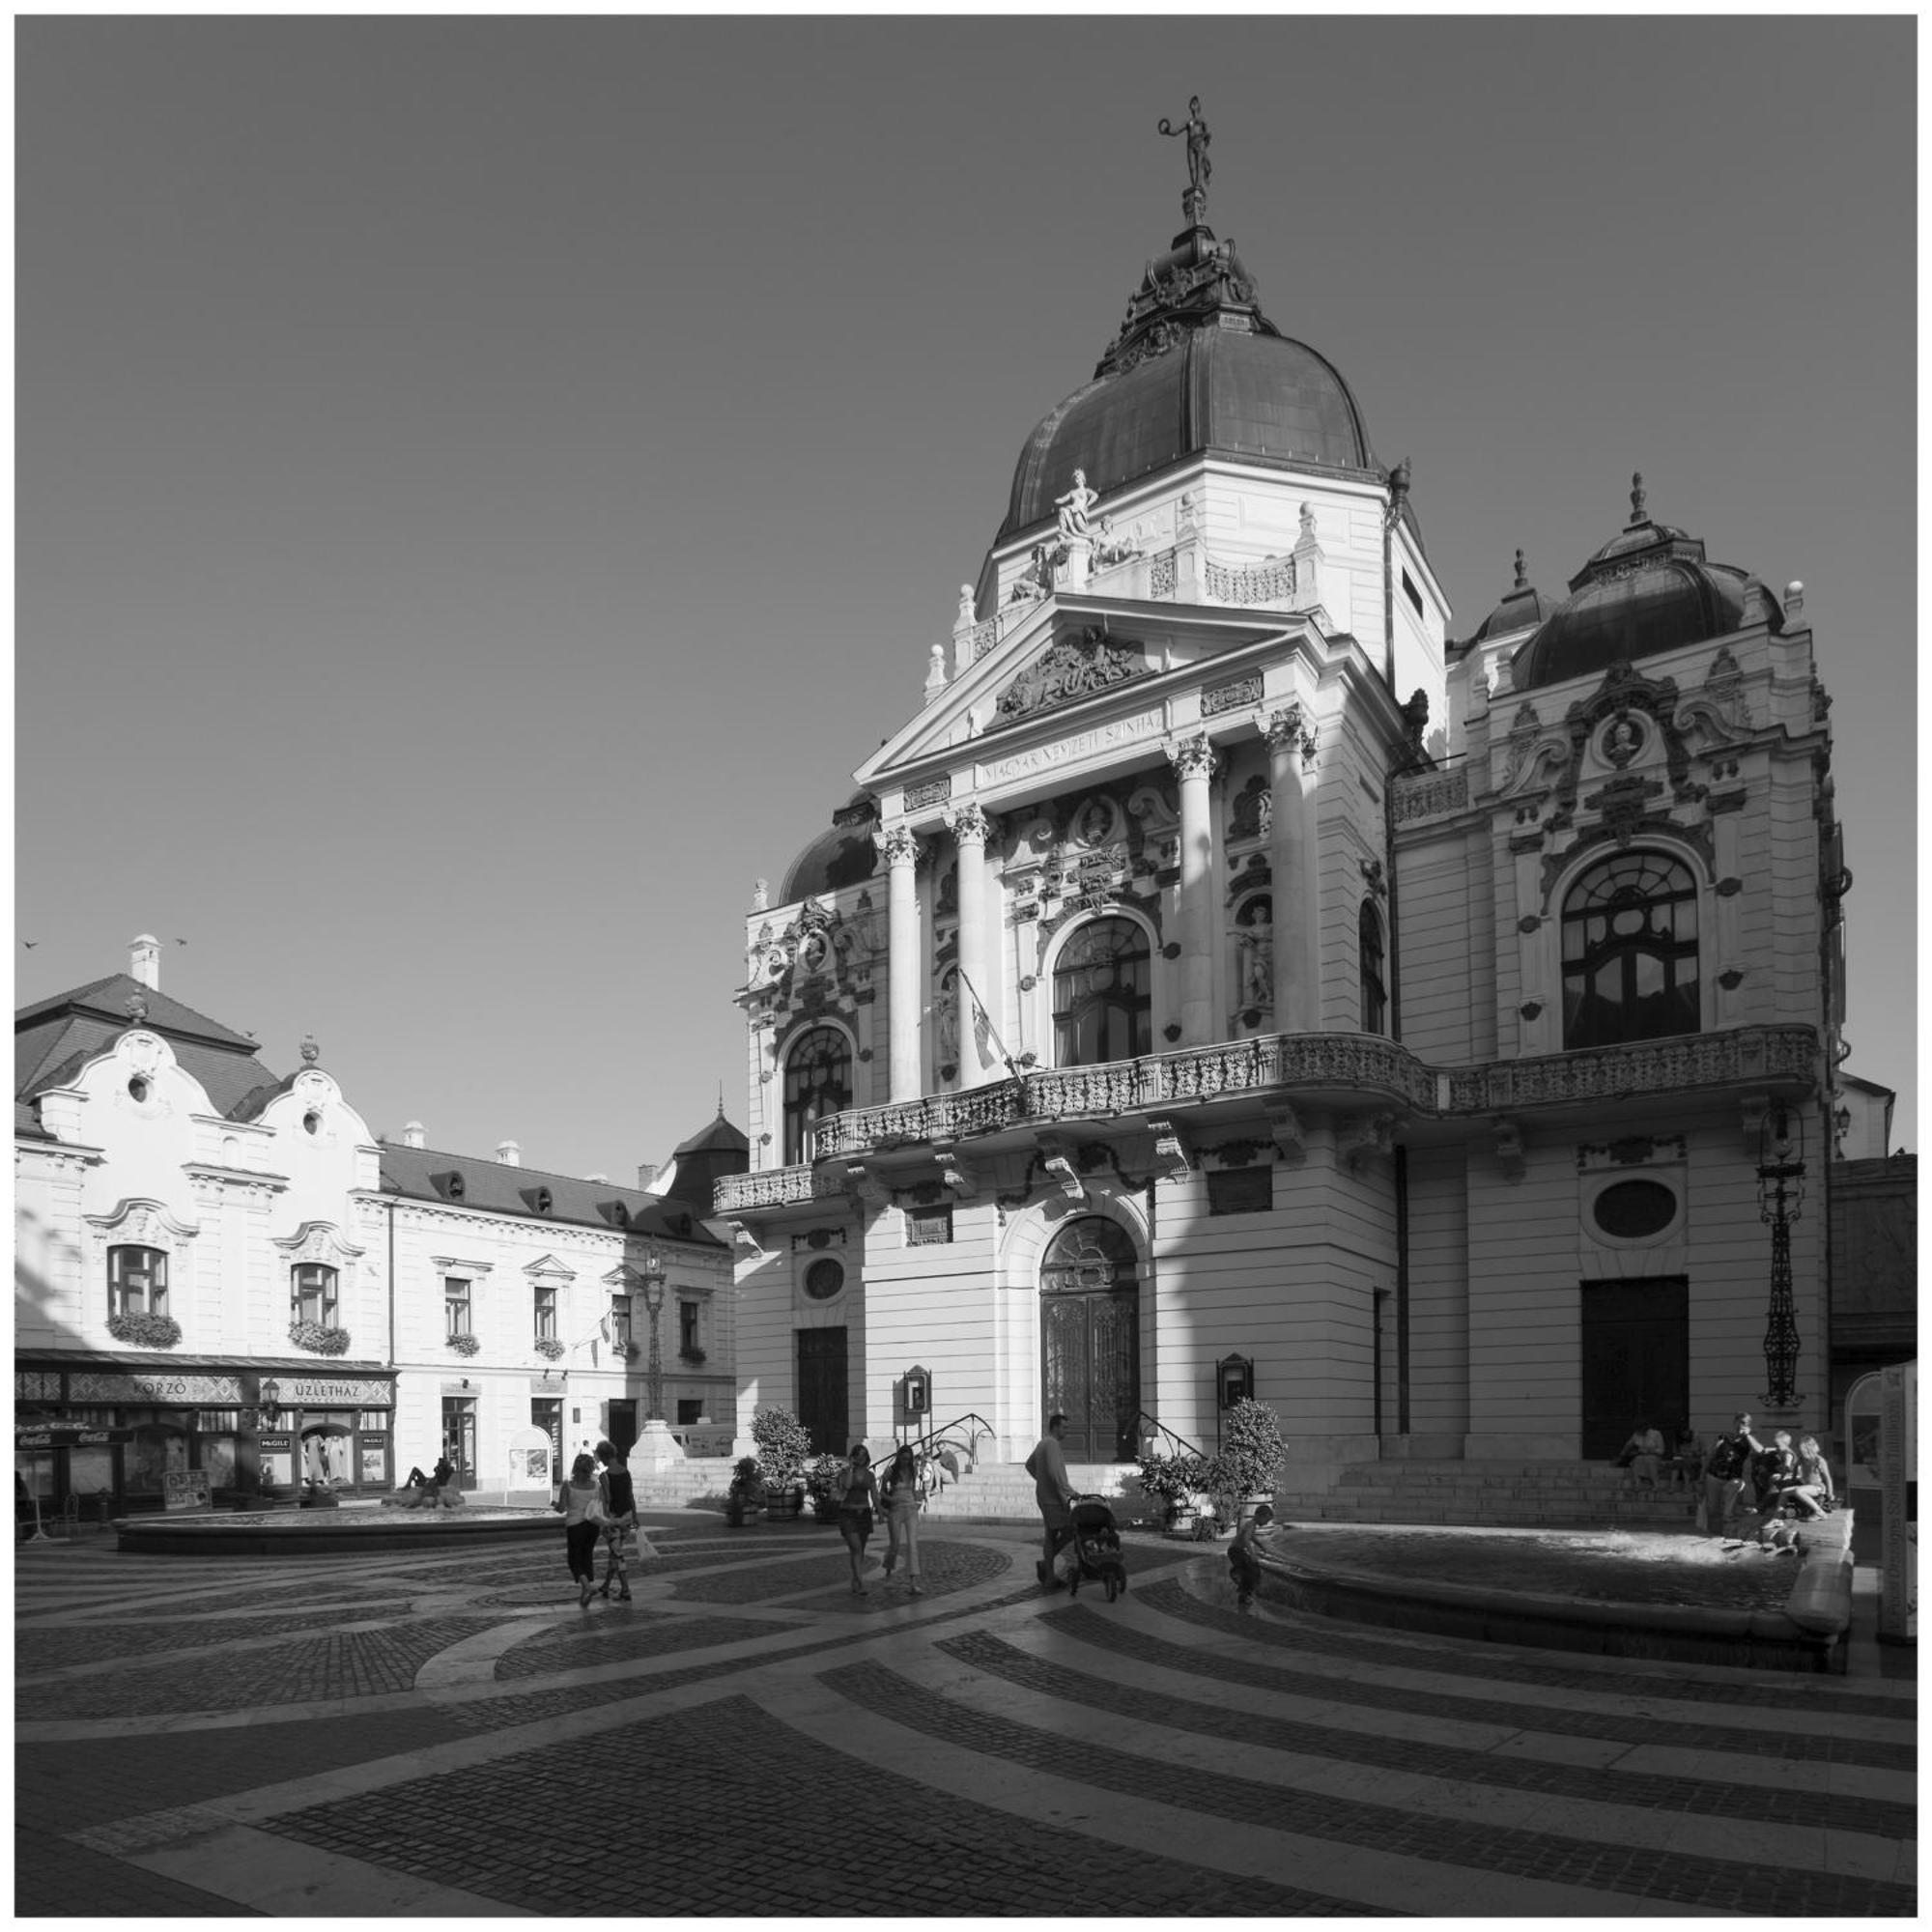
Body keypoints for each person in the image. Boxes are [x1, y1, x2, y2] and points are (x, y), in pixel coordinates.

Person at [1025, 1413, 1076, 1589]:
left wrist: (1041, 1479)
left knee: (1051, 1536)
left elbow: (1029, 1465)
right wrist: (1071, 1493)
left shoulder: (1042, 1443)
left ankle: (1049, 1575)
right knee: (1070, 1531)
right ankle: (1047, 1568)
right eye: (1064, 1427)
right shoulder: (1052, 1444)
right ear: (1055, 1427)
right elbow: (1056, 1474)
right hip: (1054, 1499)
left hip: (1044, 1496)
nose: (1067, 1431)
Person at [555, 1452, 604, 1608]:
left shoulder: (568, 1485)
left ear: (575, 1467)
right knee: (587, 1556)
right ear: (590, 1468)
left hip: (575, 1525)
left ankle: (588, 1588)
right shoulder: (596, 1485)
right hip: (593, 1525)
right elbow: (600, 1505)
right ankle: (585, 1593)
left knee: (574, 1559)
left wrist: (554, 1505)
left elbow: (561, 1508)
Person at [1701, 1412, 1762, 1536]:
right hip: (1714, 1475)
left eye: (1745, 1423)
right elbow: (1710, 1456)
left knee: (1738, 1484)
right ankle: (1712, 1532)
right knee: (1713, 1509)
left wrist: (1748, 1435)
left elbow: (1760, 1450)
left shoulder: (1748, 1440)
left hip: (1732, 1477)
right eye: (1740, 1422)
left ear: (1749, 1425)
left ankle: (1728, 1517)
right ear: (1735, 1423)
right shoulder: (1723, 1437)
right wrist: (1701, 1475)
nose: (1742, 1425)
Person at [593, 1439, 637, 1602]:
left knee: (617, 1554)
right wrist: (635, 1517)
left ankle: (625, 1589)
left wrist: (604, 1521)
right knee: (614, 1552)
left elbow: (607, 1500)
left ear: (604, 1457)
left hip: (613, 1520)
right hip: (627, 1516)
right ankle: (606, 1585)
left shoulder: (605, 1476)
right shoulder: (626, 1472)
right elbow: (630, 1496)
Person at [836, 1444, 881, 1597]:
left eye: (864, 1454)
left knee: (859, 1550)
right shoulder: (845, 1473)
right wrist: (851, 1469)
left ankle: (856, 1579)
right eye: (858, 1455)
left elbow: (874, 1494)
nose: (861, 1457)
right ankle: (860, 1581)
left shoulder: (870, 1475)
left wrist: (880, 1511)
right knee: (855, 1548)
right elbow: (847, 1486)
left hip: (864, 1513)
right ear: (853, 1457)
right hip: (848, 1513)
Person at [879, 1445, 923, 1597]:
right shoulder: (891, 1471)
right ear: (899, 1457)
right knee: (895, 1544)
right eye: (903, 1458)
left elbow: (914, 1489)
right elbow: (882, 1492)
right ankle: (888, 1573)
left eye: (908, 1458)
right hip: (895, 1509)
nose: (906, 1461)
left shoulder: (913, 1470)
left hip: (911, 1508)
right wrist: (891, 1499)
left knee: (913, 1544)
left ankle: (913, 1582)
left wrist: (918, 1501)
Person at [1228, 1503, 1273, 1610]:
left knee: (1254, 1568)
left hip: (1237, 1551)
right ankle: (1237, 1576)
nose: (1266, 1523)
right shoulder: (1251, 1524)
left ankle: (1244, 1591)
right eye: (1266, 1520)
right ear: (1260, 1516)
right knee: (1251, 1569)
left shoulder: (1251, 1524)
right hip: (1235, 1551)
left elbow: (1251, 1537)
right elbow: (1246, 1539)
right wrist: (1252, 1554)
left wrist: (1261, 1546)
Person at [1782, 1434, 1835, 1519]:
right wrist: (1792, 1479)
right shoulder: (1801, 1459)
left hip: (1817, 1487)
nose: (1800, 1453)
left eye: (1802, 1451)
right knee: (1784, 1492)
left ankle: (1819, 1512)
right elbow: (1795, 1468)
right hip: (1806, 1486)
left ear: (1809, 1450)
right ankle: (1776, 1517)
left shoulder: (1819, 1461)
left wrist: (1830, 1493)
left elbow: (1828, 1478)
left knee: (1798, 1491)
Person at [1617, 1420, 1665, 1491]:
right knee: (1637, 1460)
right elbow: (1628, 1445)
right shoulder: (1636, 1435)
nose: (1639, 1432)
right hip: (1640, 1455)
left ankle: (1655, 1483)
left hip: (1654, 1456)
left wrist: (1649, 1451)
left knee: (1649, 1460)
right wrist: (1622, 1455)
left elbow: (1661, 1450)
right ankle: (1637, 1483)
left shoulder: (1656, 1434)